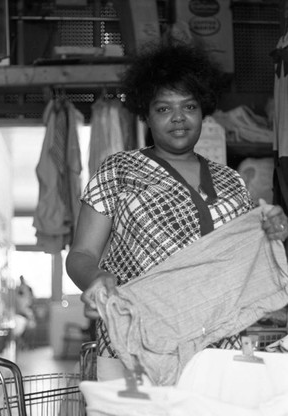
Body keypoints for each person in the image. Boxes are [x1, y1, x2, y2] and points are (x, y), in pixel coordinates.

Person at [66, 40, 288, 381]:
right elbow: (81, 253)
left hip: (216, 343)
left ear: (203, 110)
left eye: (189, 106)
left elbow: (246, 262)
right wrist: (95, 279)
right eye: (164, 109)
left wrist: (274, 229)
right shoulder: (118, 170)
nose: (179, 119)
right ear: (146, 113)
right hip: (137, 342)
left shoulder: (231, 181)